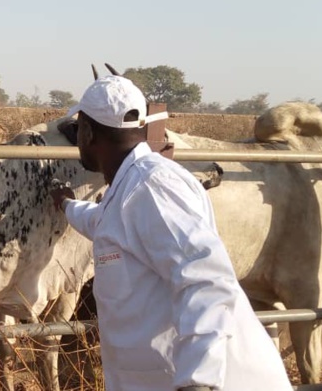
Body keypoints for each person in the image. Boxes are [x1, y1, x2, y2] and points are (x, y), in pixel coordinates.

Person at [50, 75, 293, 391]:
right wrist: (67, 204)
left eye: (76, 129)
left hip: (209, 381)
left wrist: (199, 381)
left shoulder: (154, 188)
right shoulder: (128, 191)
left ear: (88, 132)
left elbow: (206, 279)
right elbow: (104, 224)